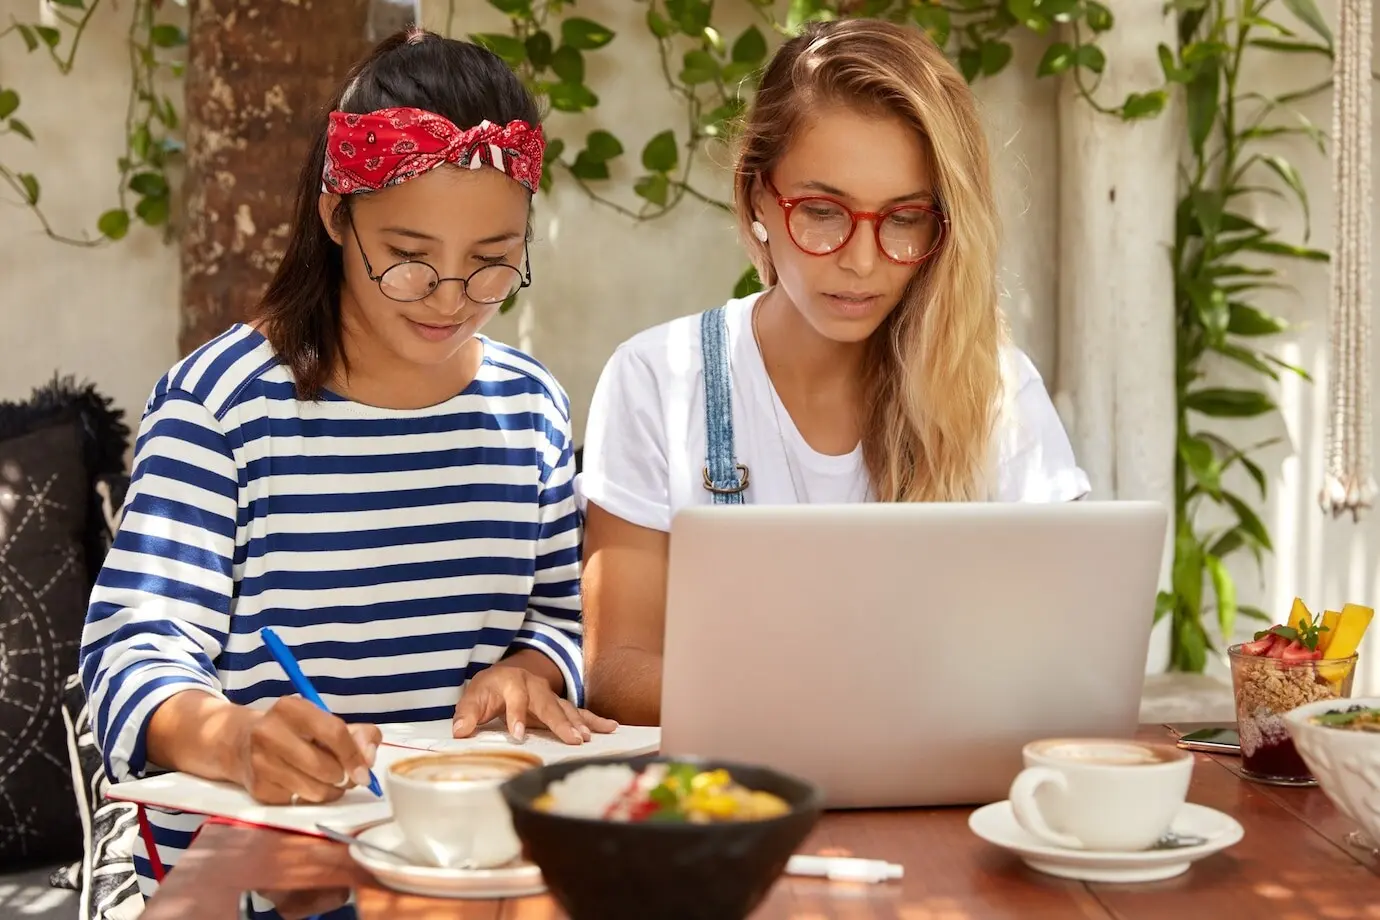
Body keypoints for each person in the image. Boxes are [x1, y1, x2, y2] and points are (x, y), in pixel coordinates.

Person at [78, 28, 614, 911]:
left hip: (465, 870)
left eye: (492, 263)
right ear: (336, 216)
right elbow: (133, 654)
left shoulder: (531, 408)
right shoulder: (224, 406)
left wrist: (533, 666)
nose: (449, 296)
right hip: (258, 874)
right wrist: (235, 738)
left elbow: (563, 614)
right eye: (407, 257)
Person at [578, 19, 1092, 727]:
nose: (860, 259)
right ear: (757, 196)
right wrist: (841, 698)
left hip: (939, 797)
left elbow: (1064, 652)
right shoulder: (657, 379)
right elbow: (614, 670)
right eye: (822, 212)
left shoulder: (995, 389)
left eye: (905, 218)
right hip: (738, 808)